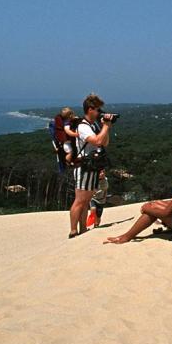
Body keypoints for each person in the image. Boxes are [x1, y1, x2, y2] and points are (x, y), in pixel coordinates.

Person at [105, 150, 172, 244]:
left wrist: (147, 207)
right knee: (154, 205)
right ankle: (128, 235)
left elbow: (165, 214)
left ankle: (126, 237)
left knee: (151, 210)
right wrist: (154, 204)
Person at [68, 94, 115, 238]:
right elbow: (96, 140)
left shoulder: (93, 125)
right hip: (84, 167)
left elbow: (104, 142)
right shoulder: (83, 126)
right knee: (80, 200)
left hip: (92, 167)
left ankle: (82, 228)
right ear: (90, 109)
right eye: (98, 110)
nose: (99, 112)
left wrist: (106, 127)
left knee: (86, 201)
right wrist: (105, 125)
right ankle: (73, 230)